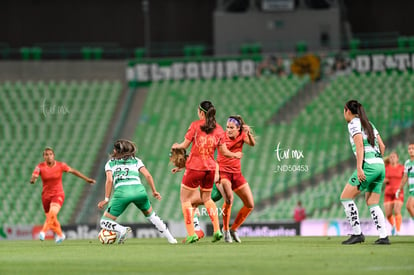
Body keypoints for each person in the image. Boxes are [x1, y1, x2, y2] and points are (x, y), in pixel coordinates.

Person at [172, 100, 242, 244]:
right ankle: (217, 230)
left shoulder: (195, 125)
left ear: (201, 113)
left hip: (194, 168)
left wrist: (176, 146)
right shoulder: (219, 129)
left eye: (198, 111)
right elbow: (223, 151)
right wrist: (235, 155)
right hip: (210, 168)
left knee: (185, 200)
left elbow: (184, 145)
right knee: (207, 199)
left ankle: (191, 233)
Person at [97, 139, 177, 244]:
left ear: (116, 151)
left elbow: (109, 180)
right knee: (152, 216)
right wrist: (154, 191)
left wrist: (106, 199)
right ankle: (172, 239)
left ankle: (122, 230)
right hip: (139, 191)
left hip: (122, 193)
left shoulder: (110, 163)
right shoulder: (136, 160)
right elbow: (148, 175)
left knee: (104, 221)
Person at [341, 100, 390, 245]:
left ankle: (357, 234)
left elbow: (360, 146)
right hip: (380, 166)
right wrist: (377, 160)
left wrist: (360, 168)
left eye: (343, 111)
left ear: (347, 111)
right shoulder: (369, 124)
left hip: (368, 166)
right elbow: (382, 146)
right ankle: (384, 237)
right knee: (372, 202)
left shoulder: (353, 124)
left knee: (345, 197)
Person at [30, 147, 96, 243]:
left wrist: (86, 179)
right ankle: (61, 235)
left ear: (54, 156)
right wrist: (33, 179)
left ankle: (43, 232)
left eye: (50, 154)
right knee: (52, 219)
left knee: (52, 213)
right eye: (46, 154)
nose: (48, 156)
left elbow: (73, 171)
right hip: (45, 196)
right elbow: (34, 176)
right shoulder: (39, 166)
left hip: (58, 194)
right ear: (44, 157)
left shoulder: (61, 165)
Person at [169, 148, 224, 240]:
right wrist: (180, 168)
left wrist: (217, 175)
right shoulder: (191, 161)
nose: (172, 162)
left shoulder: (192, 159)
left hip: (214, 189)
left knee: (187, 202)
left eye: (172, 160)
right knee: (193, 204)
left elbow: (214, 163)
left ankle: (196, 231)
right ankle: (212, 230)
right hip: (215, 190)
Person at [217, 115, 255, 243]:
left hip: (237, 175)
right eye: (227, 127)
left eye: (232, 127)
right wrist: (236, 155)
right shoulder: (221, 137)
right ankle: (226, 230)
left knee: (250, 204)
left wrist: (248, 133)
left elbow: (252, 144)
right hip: (224, 173)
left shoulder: (241, 136)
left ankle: (234, 229)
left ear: (238, 129)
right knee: (229, 199)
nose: (228, 130)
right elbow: (224, 152)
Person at [383, 152, 404, 235]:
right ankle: (394, 225)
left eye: (394, 157)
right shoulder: (386, 168)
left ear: (397, 158)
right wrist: (385, 180)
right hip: (388, 192)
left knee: (397, 210)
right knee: (388, 214)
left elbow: (405, 177)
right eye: (391, 157)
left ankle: (398, 231)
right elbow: (381, 178)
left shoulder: (401, 168)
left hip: (398, 192)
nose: (392, 158)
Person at [396, 143, 414, 219]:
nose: (411, 150)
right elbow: (405, 177)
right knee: (409, 207)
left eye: (413, 148)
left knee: (409, 206)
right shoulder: (407, 163)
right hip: (411, 189)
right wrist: (399, 189)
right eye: (409, 149)